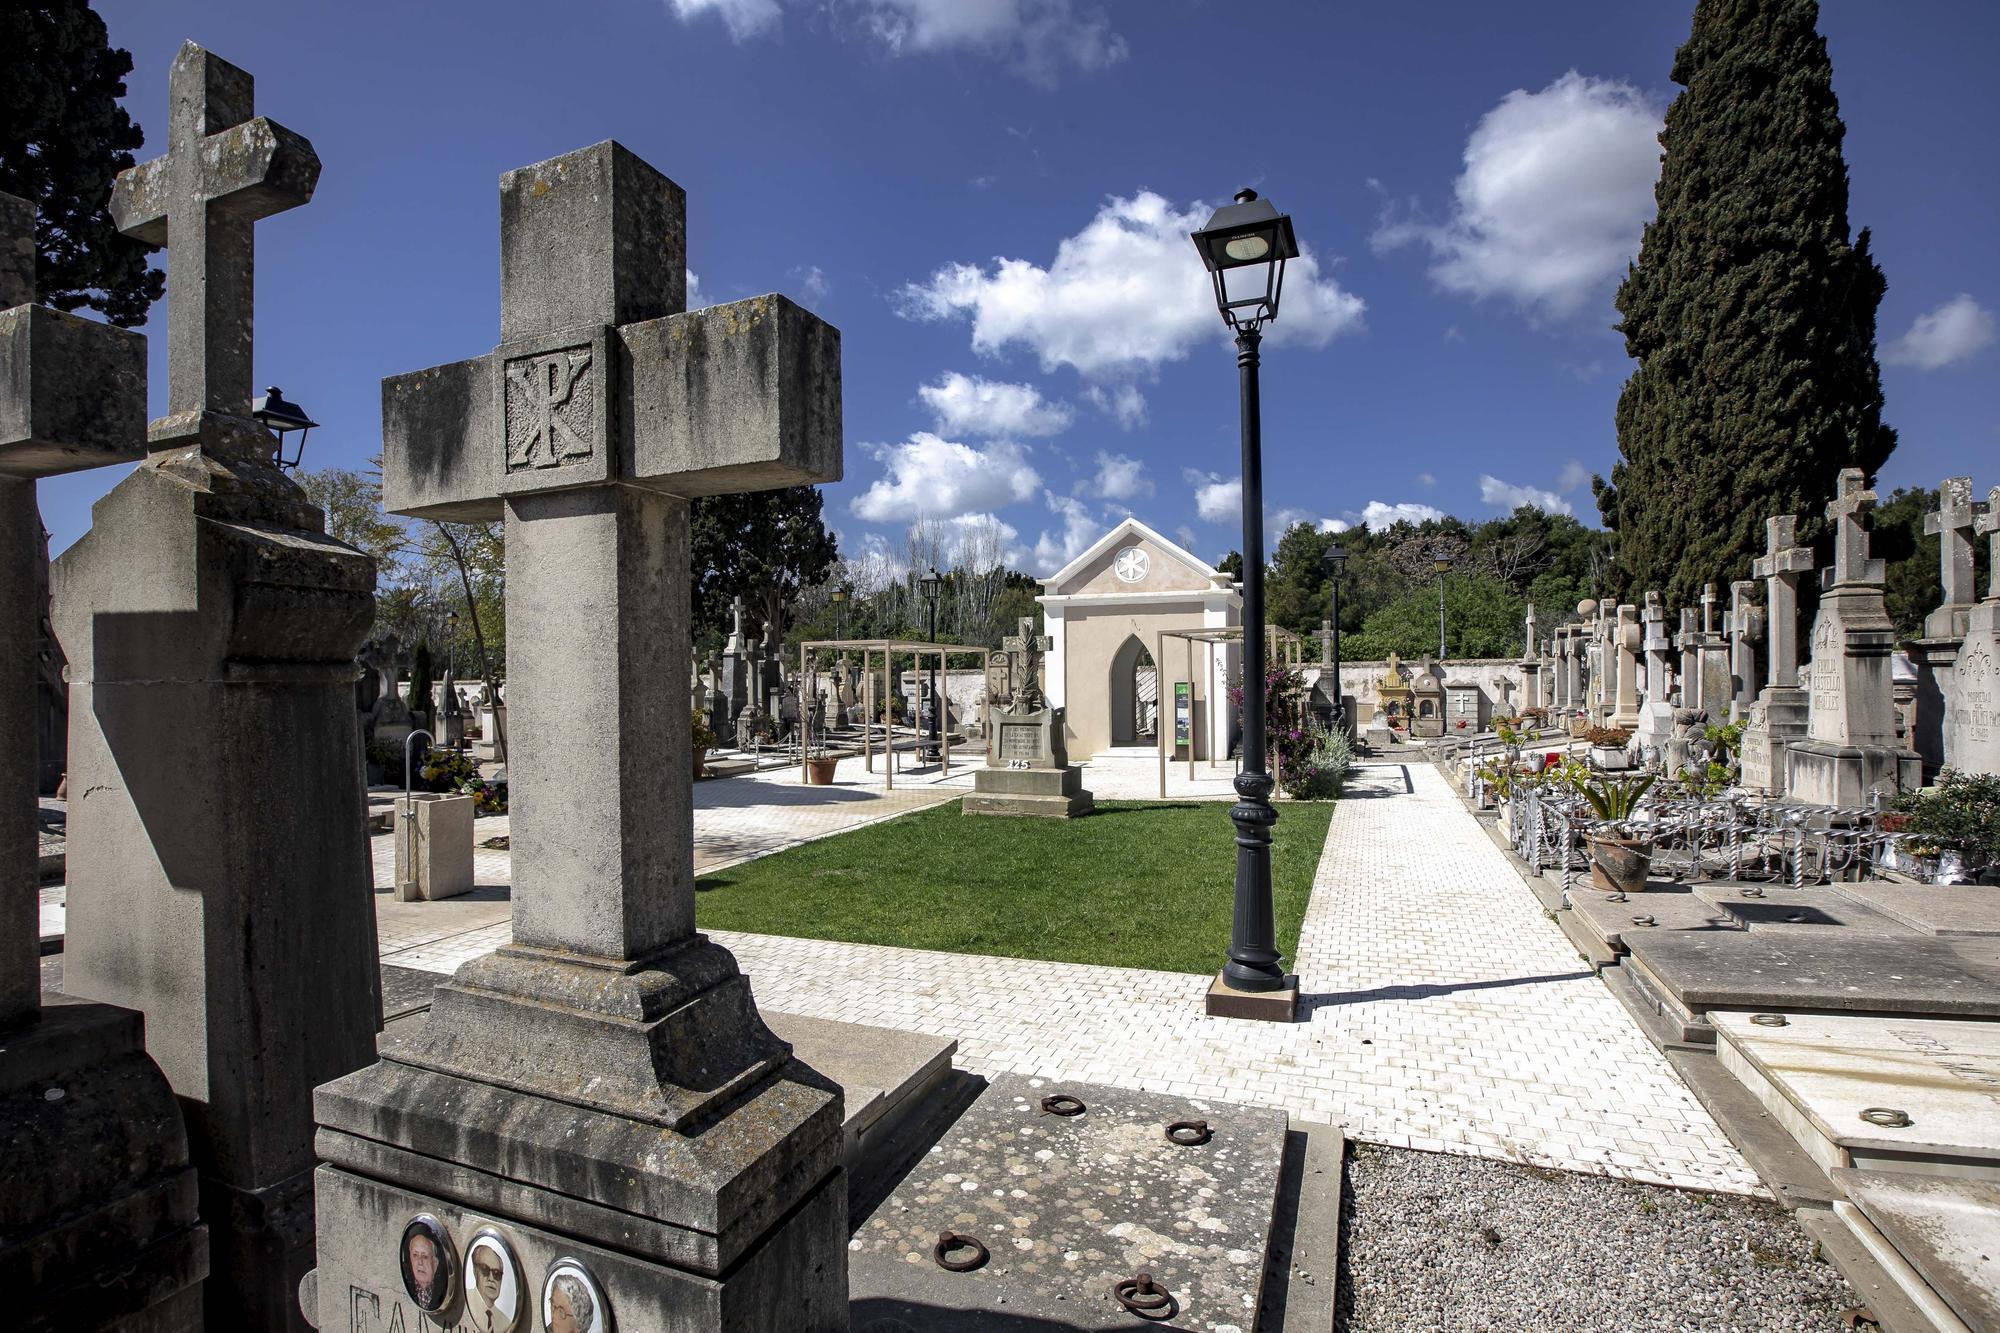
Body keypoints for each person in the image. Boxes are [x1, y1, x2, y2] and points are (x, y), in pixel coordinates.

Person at [465, 1240, 515, 1332]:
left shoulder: (505, 1322)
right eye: (485, 1270)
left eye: (497, 1274)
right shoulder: (463, 1302)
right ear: (475, 1272)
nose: (491, 1278)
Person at [405, 1230, 444, 1311]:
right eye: (415, 1255)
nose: (420, 1262)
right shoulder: (405, 1283)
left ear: (435, 1263)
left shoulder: (443, 1290)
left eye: (425, 1256)